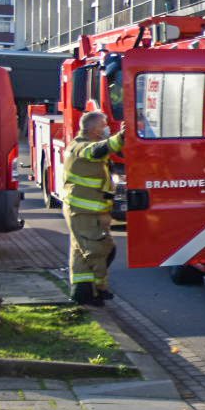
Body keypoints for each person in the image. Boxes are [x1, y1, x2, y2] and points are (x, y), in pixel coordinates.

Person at [62, 111, 123, 306]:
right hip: (83, 212)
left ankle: (83, 293)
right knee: (100, 249)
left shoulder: (82, 145)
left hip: (87, 211)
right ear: (92, 129)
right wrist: (122, 137)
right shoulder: (80, 146)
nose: (107, 128)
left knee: (81, 253)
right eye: (104, 125)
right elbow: (97, 150)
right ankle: (99, 289)